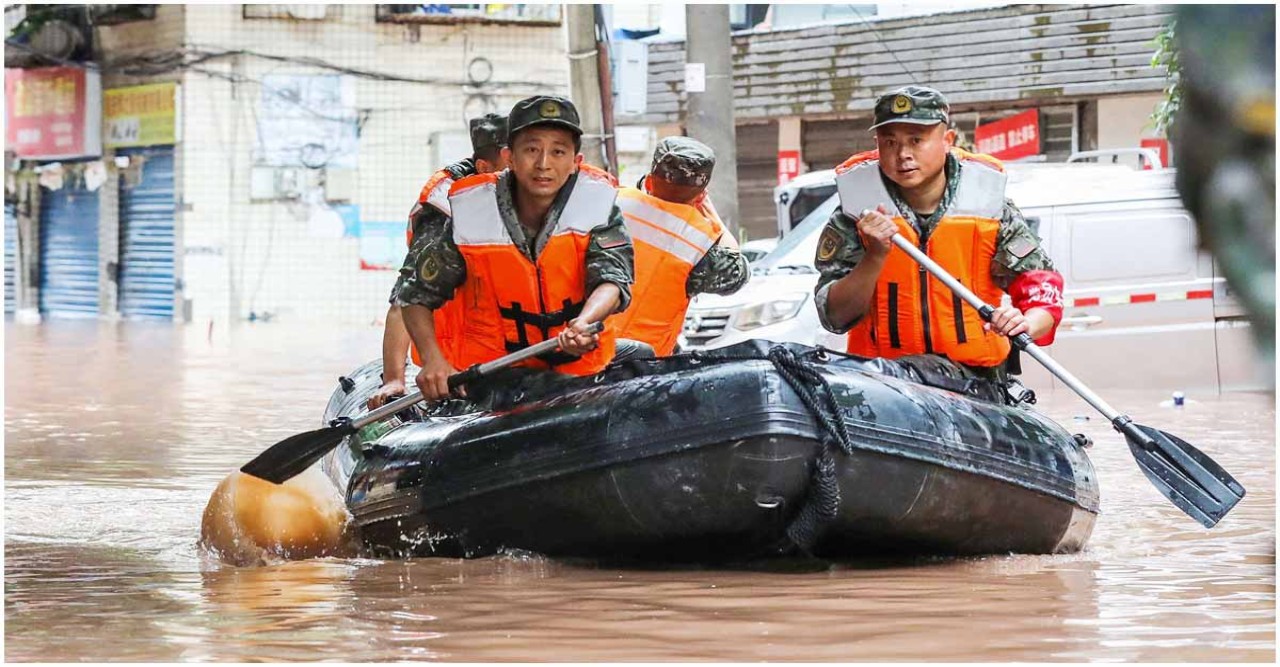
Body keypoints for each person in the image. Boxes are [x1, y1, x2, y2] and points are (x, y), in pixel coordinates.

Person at [814, 85, 1065, 378]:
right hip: (885, 383)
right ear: (877, 144)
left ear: (947, 140)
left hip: (976, 382)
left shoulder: (989, 206)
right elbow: (834, 317)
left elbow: (1041, 289)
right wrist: (874, 256)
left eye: (916, 140)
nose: (903, 154)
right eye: (890, 142)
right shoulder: (856, 212)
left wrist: (1026, 323)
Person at [397, 95, 636, 401]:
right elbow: (414, 294)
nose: (544, 164)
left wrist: (585, 321)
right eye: (531, 150)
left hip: (579, 374)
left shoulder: (598, 206)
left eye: (558, 151)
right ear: (509, 156)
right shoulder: (470, 212)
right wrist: (433, 360)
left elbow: (612, 280)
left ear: (576, 162)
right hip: (492, 379)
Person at [369, 113, 508, 409]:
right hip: (454, 364)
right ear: (484, 167)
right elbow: (406, 299)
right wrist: (394, 380)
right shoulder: (445, 211)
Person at [611, 137, 749, 356]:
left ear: (649, 182)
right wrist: (710, 213)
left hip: (581, 349)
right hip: (642, 364)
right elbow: (737, 275)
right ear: (701, 196)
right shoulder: (701, 240)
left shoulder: (611, 202)